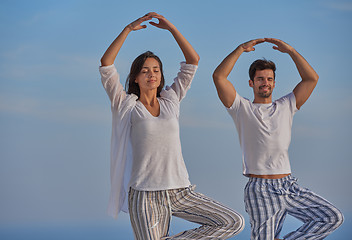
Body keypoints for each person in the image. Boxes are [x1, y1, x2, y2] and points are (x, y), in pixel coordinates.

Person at [100, 12, 244, 240]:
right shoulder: (126, 105)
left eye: (156, 70)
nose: (151, 74)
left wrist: (171, 29)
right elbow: (106, 64)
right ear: (135, 77)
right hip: (145, 195)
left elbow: (192, 60)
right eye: (145, 70)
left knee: (232, 222)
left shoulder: (171, 100)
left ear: (161, 75)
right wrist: (128, 29)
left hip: (180, 191)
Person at [212, 38, 344, 240]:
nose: (265, 82)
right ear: (251, 83)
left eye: (269, 79)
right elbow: (219, 77)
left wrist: (290, 50)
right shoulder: (241, 108)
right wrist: (239, 49)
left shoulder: (287, 105)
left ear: (274, 82)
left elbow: (311, 79)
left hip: (288, 185)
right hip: (260, 189)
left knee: (331, 218)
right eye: (260, 79)